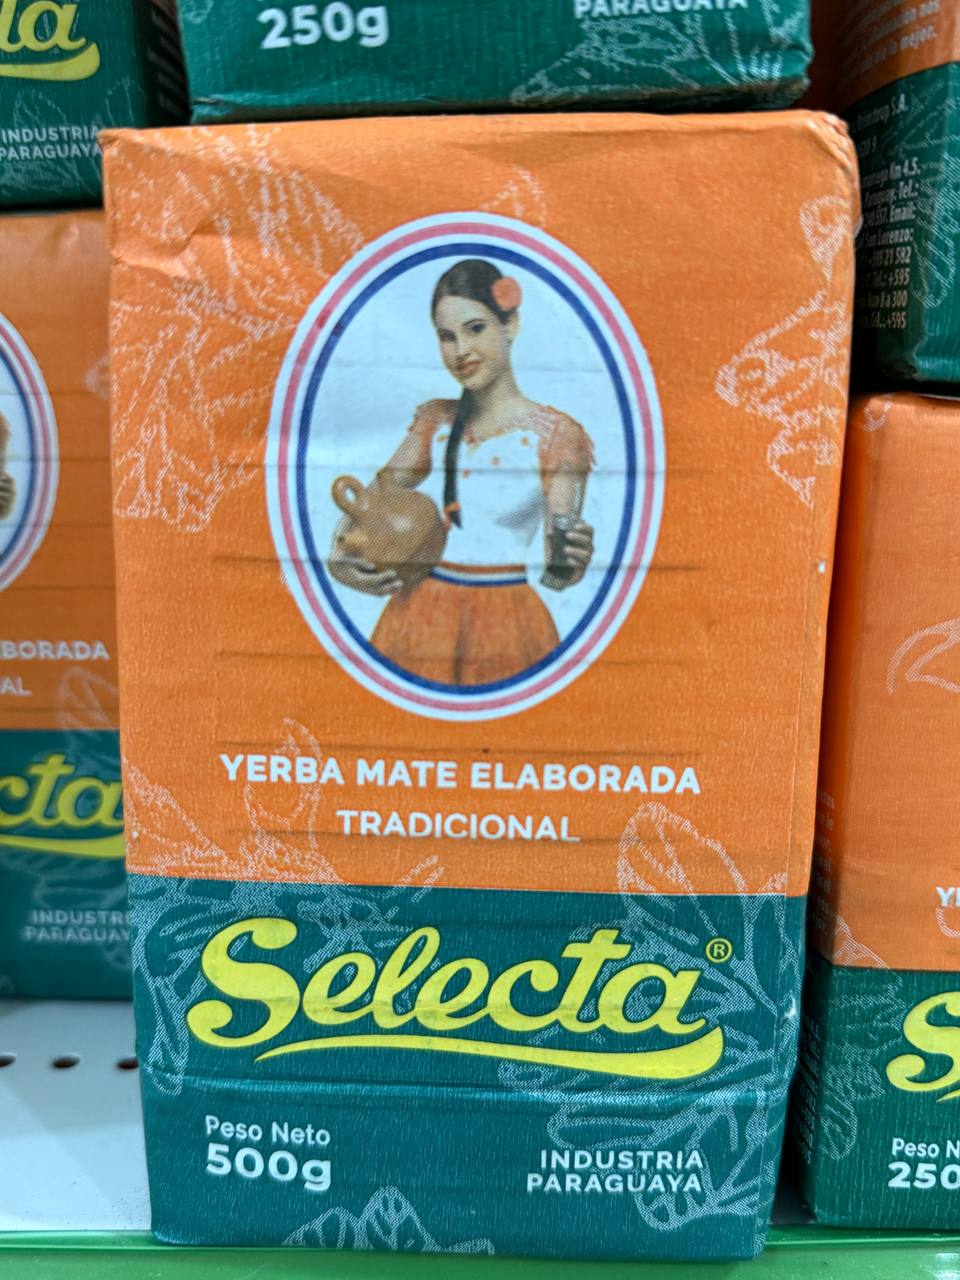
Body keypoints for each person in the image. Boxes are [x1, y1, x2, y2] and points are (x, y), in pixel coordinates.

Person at [328, 259, 595, 687]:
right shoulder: (434, 419)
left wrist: (573, 563)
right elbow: (372, 498)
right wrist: (341, 559)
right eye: (446, 337)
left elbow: (560, 564)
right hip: (418, 614)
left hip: (507, 619)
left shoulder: (559, 435)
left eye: (475, 329)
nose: (460, 351)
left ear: (510, 326)